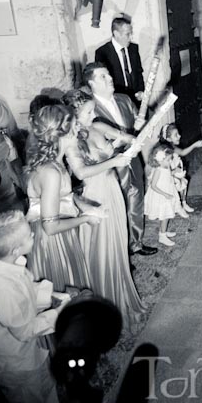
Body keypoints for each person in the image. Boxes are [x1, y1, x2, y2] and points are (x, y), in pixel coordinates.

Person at [63, 89, 146, 327]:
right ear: (74, 114)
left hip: (112, 190)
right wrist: (114, 160)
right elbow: (80, 172)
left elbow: (128, 139)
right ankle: (107, 306)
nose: (93, 114)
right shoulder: (70, 140)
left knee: (119, 246)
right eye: (88, 111)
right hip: (94, 195)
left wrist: (135, 139)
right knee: (103, 251)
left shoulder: (98, 126)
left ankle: (125, 300)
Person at [0, 211, 61, 403]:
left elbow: (26, 289)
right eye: (30, 235)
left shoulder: (3, 262)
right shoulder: (1, 287)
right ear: (15, 249)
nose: (34, 235)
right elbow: (25, 330)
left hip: (23, 353)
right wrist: (60, 313)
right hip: (12, 363)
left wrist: (56, 296)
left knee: (46, 388)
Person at [82, 61, 158, 257]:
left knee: (137, 197)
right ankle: (119, 249)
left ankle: (136, 242)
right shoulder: (89, 109)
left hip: (133, 157)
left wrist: (142, 122)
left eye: (109, 75)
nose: (110, 79)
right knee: (117, 204)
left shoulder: (124, 99)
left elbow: (138, 127)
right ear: (91, 84)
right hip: (109, 164)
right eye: (103, 77)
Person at [25, 104, 101, 292]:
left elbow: (63, 199)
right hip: (52, 243)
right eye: (75, 127)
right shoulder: (50, 172)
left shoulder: (55, 164)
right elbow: (50, 227)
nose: (79, 131)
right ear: (62, 134)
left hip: (60, 234)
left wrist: (84, 206)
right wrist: (85, 219)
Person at [94, 17, 145, 105]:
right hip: (118, 102)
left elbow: (139, 72)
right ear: (116, 34)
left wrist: (141, 90)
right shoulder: (102, 52)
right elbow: (104, 81)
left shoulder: (134, 48)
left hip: (137, 101)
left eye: (131, 33)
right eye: (127, 34)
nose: (131, 38)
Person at [145, 143, 188, 247]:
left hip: (168, 191)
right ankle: (162, 237)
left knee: (166, 215)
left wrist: (174, 172)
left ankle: (162, 231)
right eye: (168, 160)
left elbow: (168, 175)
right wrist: (165, 194)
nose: (169, 162)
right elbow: (153, 186)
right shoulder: (158, 170)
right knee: (164, 215)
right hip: (161, 195)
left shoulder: (165, 167)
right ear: (160, 159)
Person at [159, 123, 202, 212]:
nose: (179, 136)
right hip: (171, 174)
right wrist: (194, 145)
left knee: (183, 186)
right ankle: (178, 206)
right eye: (176, 135)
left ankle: (183, 203)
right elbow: (183, 152)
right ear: (168, 139)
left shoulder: (173, 147)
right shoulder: (167, 150)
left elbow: (182, 152)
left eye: (178, 133)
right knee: (177, 188)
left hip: (177, 172)